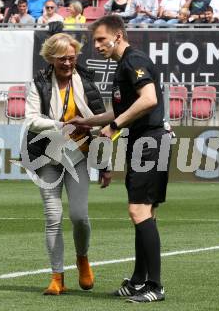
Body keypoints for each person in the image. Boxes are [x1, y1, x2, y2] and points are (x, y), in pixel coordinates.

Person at [69, 15, 172, 303]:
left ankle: (155, 286)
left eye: (102, 39)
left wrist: (114, 127)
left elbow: (149, 99)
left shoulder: (132, 60)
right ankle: (140, 280)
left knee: (138, 211)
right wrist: (88, 121)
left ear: (118, 35)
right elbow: (124, 110)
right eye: (94, 41)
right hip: (146, 140)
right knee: (145, 213)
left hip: (150, 141)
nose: (97, 46)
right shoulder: (122, 65)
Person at [23, 33, 108, 294]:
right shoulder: (38, 84)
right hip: (46, 156)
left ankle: (82, 258)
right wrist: (60, 125)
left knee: (79, 216)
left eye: (72, 58)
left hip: (78, 156)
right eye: (62, 59)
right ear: (50, 58)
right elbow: (31, 120)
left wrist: (103, 165)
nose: (68, 63)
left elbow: (103, 123)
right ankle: (57, 276)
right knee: (53, 217)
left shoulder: (88, 83)